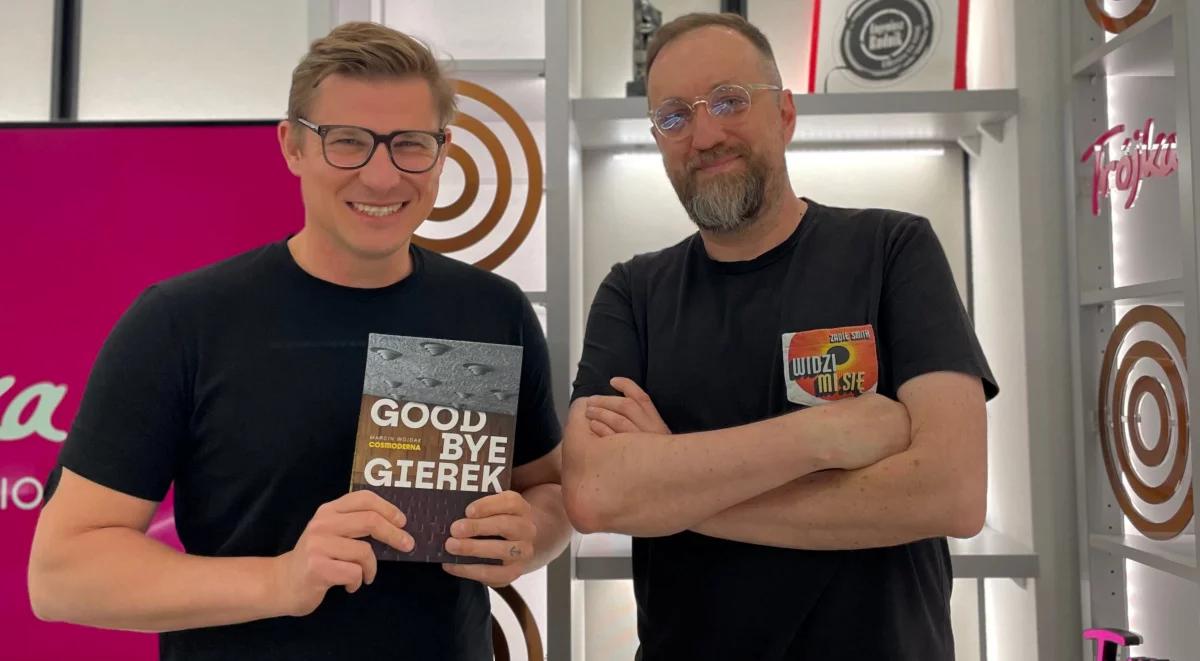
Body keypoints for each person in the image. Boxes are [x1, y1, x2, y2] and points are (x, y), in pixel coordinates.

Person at [28, 22, 569, 661]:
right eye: (348, 142)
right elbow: (63, 574)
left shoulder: (492, 310)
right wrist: (280, 580)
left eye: (410, 144)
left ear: (443, 151)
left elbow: (551, 491)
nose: (381, 176)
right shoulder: (183, 321)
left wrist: (529, 533)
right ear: (293, 146)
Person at [563, 12, 997, 661]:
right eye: (675, 116)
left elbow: (952, 492)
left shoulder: (893, 249)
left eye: (729, 101)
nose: (705, 134)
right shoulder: (633, 292)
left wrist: (671, 489)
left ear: (785, 114)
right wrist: (821, 436)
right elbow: (595, 493)